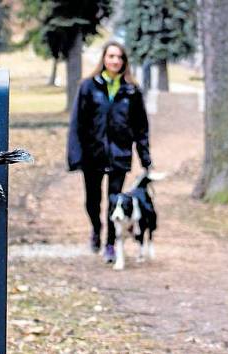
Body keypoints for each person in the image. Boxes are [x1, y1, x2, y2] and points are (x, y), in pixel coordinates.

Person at [67, 41, 152, 263]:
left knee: (114, 201)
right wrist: (75, 155)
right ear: (104, 58)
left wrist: (145, 157)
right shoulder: (88, 87)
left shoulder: (132, 91)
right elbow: (77, 123)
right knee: (92, 201)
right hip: (93, 155)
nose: (115, 61)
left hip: (120, 155)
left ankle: (111, 244)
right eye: (111, 56)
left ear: (124, 62)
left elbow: (141, 127)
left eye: (119, 57)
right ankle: (97, 228)